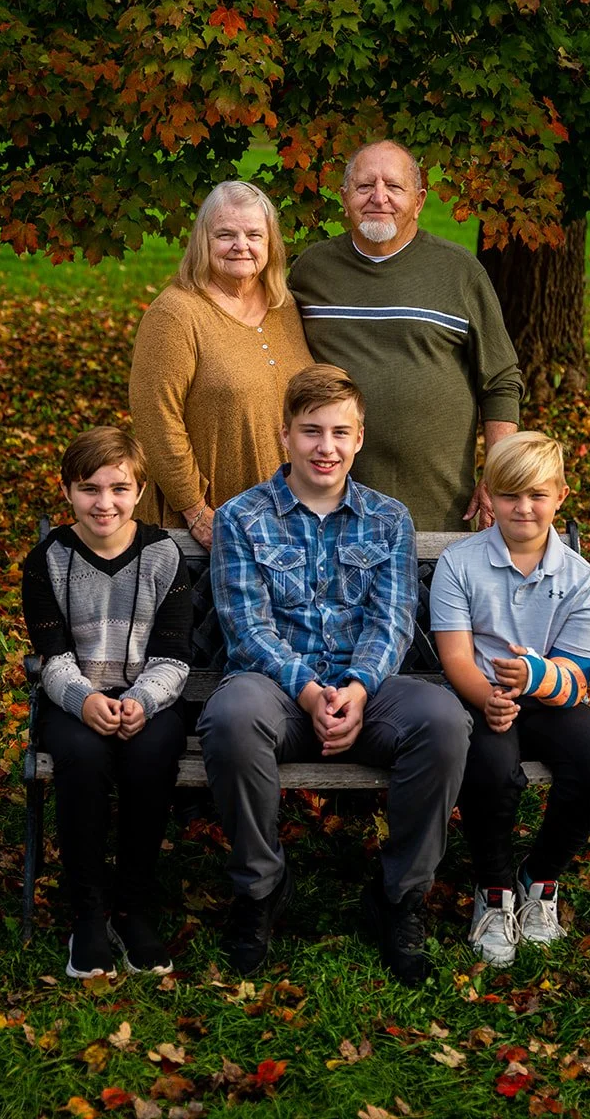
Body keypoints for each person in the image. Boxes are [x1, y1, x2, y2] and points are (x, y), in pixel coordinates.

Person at [198, 364, 472, 983]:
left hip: (366, 691)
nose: (326, 447)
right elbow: (247, 628)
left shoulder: (388, 520)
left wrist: (355, 689)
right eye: (311, 431)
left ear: (360, 438)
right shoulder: (242, 518)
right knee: (231, 717)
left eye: (340, 433)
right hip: (275, 692)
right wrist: (308, 689)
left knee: (443, 720)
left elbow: (393, 622)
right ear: (285, 436)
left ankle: (399, 897)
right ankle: (261, 889)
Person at [430, 431, 590, 965]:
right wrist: (490, 697)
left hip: (548, 698)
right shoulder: (459, 564)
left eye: (537, 494)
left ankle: (539, 879)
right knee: (491, 765)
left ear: (560, 495)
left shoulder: (580, 581)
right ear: (489, 494)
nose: (523, 507)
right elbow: (456, 658)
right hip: (476, 695)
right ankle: (494, 892)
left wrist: (534, 674)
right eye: (510, 494)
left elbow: (574, 679)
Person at [21, 425, 191, 980]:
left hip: (149, 700)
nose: (105, 503)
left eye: (119, 488)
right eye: (89, 489)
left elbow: (173, 657)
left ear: (139, 491)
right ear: (68, 491)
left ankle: (134, 908)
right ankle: (88, 915)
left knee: (151, 756)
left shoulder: (164, 556)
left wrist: (141, 701)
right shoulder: (48, 559)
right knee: (84, 759)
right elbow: (52, 657)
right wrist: (85, 700)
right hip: (76, 699)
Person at [288, 139, 523, 531]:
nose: (379, 197)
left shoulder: (459, 273)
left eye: (394, 187)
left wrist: (498, 474)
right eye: (365, 187)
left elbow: (500, 382)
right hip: (326, 509)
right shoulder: (312, 271)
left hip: (437, 510)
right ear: (345, 198)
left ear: (419, 200)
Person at [128, 179, 312, 548]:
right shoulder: (177, 313)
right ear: (203, 241)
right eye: (225, 234)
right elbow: (156, 419)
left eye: (254, 235)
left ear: (270, 244)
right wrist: (194, 509)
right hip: (205, 528)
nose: (241, 246)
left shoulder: (284, 306)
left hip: (286, 521)